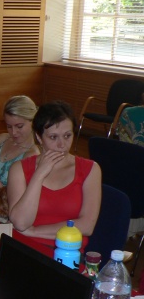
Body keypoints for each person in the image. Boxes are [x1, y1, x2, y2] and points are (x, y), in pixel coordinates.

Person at [7, 100, 102, 248]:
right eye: (53, 137)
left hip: (68, 250)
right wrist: (39, 175)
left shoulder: (90, 169)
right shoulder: (19, 169)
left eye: (67, 136)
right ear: (39, 137)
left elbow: (87, 226)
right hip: (26, 247)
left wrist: (35, 232)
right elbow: (20, 223)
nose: (62, 145)